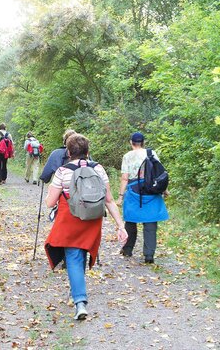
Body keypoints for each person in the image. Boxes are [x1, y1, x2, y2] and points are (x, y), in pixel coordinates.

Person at [44, 134, 128, 320]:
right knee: (81, 252)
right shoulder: (98, 169)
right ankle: (76, 290)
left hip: (70, 217)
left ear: (68, 152)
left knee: (73, 256)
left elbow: (50, 203)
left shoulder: (63, 171)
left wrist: (51, 195)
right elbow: (109, 200)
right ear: (88, 152)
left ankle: (80, 301)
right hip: (92, 218)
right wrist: (120, 226)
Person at [116, 132, 169, 263]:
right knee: (150, 222)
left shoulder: (127, 156)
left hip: (134, 190)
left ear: (131, 142)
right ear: (143, 142)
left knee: (131, 220)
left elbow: (125, 178)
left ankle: (128, 249)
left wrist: (121, 196)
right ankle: (149, 255)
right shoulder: (151, 153)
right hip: (151, 190)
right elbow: (159, 174)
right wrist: (165, 190)